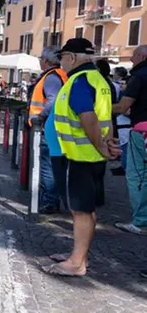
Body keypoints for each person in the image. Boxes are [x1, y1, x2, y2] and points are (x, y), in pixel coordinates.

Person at [45, 38, 119, 277]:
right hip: (90, 156)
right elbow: (105, 116)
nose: (61, 62)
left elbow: (88, 117)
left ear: (73, 57)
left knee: (80, 211)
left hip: (78, 156)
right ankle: (79, 255)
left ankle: (77, 263)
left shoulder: (80, 80)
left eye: (63, 57)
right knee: (87, 209)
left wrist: (101, 146)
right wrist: (107, 144)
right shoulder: (99, 79)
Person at [112, 45, 147, 235]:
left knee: (137, 175)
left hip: (141, 130)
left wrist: (96, 109)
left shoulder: (139, 76)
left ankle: (141, 221)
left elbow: (123, 107)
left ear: (142, 56)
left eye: (134, 56)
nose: (131, 60)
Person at [28, 46, 68, 214]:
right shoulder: (61, 74)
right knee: (54, 165)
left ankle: (49, 201)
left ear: (46, 60)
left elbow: (52, 100)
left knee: (47, 166)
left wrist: (40, 116)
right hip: (57, 126)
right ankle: (52, 200)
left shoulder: (51, 78)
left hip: (46, 128)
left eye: (40, 58)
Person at [110, 66, 130, 176]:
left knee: (125, 147)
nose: (121, 85)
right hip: (121, 125)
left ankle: (126, 168)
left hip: (126, 126)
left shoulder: (128, 96)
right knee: (123, 146)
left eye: (123, 84)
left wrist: (118, 109)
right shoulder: (123, 94)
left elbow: (127, 111)